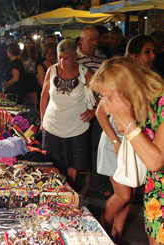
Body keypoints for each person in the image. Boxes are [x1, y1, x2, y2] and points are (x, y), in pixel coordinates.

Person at [90, 56, 164, 245]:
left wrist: (128, 123)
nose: (105, 104)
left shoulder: (162, 102)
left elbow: (156, 161)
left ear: (125, 90)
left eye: (107, 97)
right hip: (155, 191)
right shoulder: (142, 106)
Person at [40, 39, 94, 186]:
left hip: (76, 127)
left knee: (73, 164)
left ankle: (70, 193)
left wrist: (94, 111)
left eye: (66, 58)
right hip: (52, 126)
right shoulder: (51, 71)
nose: (62, 61)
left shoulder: (84, 72)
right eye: (59, 57)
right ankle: (52, 191)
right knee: (51, 164)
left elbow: (104, 92)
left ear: (74, 57)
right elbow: (44, 96)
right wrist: (42, 119)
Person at [76, 26, 108, 196]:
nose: (94, 43)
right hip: (77, 112)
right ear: (81, 41)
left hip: (97, 110)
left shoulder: (102, 57)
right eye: (90, 39)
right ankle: (82, 185)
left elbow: (106, 87)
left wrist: (95, 108)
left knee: (97, 148)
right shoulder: (73, 58)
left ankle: (95, 186)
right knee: (80, 150)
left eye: (96, 39)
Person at [20, 36, 39, 110]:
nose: (29, 45)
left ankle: (36, 110)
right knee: (25, 94)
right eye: (27, 43)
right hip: (25, 75)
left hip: (33, 75)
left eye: (31, 43)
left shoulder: (36, 55)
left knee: (34, 93)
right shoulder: (22, 55)